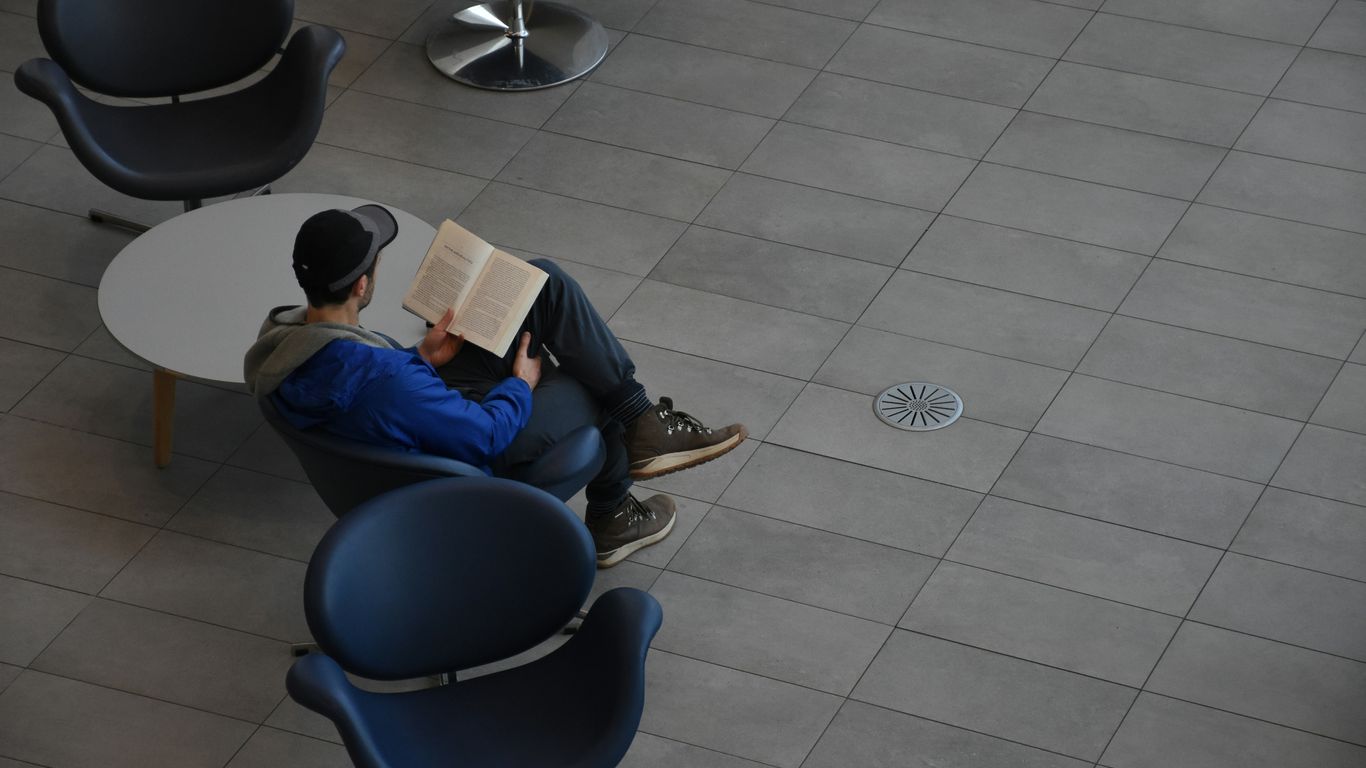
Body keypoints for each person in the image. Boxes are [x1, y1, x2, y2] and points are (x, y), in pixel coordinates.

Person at [243, 205, 747, 566]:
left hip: (405, 435)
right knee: (589, 383)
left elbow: (371, 391)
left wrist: (422, 358)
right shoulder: (382, 377)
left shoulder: (284, 343)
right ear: (360, 285)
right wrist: (522, 387)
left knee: (543, 284)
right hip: (454, 471)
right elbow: (483, 434)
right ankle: (617, 498)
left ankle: (636, 433)